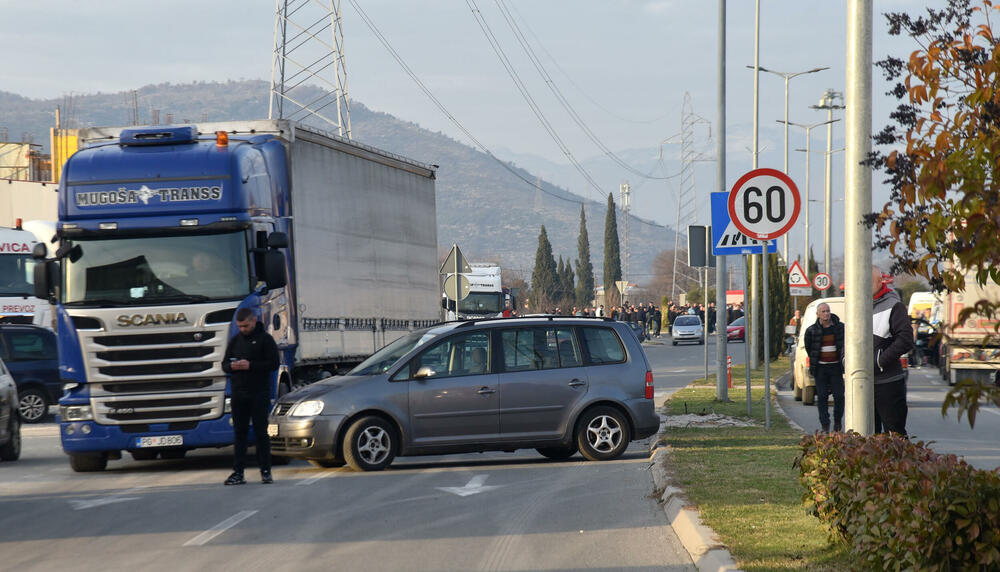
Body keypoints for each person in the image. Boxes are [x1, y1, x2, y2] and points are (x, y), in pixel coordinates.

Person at [222, 308, 280, 485]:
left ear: (254, 321)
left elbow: (273, 363)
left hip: (258, 393)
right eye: (240, 326)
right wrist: (233, 367)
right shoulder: (235, 341)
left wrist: (251, 365)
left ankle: (266, 471)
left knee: (261, 433)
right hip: (239, 394)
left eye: (246, 325)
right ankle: (238, 472)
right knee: (240, 434)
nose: (243, 329)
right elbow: (224, 364)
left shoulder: (265, 340)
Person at [872, 267, 914, 436]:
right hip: (861, 383)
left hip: (888, 383)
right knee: (863, 438)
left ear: (879, 281)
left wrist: (880, 361)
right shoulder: (855, 305)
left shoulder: (893, 305)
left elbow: (905, 340)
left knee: (894, 436)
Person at [804, 303, 845, 432]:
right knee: (822, 397)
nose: (826, 313)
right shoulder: (811, 330)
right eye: (823, 311)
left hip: (836, 368)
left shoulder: (840, 328)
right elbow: (809, 348)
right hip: (820, 369)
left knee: (839, 396)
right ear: (818, 314)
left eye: (828, 311)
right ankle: (825, 424)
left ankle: (837, 421)